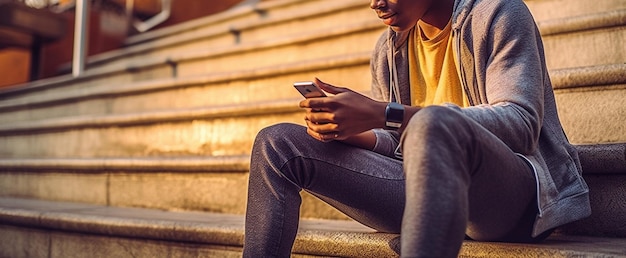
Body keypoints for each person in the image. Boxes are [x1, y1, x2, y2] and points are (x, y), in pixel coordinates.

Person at [243, 0, 591, 257]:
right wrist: (357, 130)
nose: (375, 4)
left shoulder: (499, 14)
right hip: (424, 187)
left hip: (508, 198)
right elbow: (397, 138)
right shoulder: (389, 47)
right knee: (277, 144)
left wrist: (385, 113)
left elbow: (521, 124)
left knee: (433, 122)